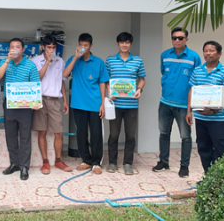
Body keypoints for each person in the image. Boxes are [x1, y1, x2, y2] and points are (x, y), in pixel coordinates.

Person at [152, 27, 201, 178]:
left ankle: (184, 166)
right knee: (164, 133)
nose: (177, 41)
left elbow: (197, 81)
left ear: (186, 39)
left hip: (183, 105)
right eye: (174, 38)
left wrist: (190, 108)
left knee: (185, 137)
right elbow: (163, 73)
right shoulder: (165, 55)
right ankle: (163, 161)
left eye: (180, 38)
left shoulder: (194, 57)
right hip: (165, 102)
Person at [62, 33, 109, 175]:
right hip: (78, 104)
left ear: (91, 46)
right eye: (81, 45)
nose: (83, 48)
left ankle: (96, 162)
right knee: (81, 134)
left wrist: (102, 103)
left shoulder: (99, 62)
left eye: (86, 45)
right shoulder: (73, 59)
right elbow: (64, 75)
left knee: (96, 134)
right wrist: (76, 57)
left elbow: (102, 82)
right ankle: (86, 160)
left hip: (95, 104)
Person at [186, 41, 224, 173]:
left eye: (212, 50)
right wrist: (189, 111)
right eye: (205, 50)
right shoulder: (197, 71)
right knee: (204, 148)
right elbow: (192, 91)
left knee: (221, 148)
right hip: (200, 118)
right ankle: (209, 177)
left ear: (219, 54)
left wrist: (213, 110)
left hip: (218, 119)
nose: (208, 53)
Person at [0, 38, 40, 181]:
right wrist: (7, 60)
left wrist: (36, 101)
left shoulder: (30, 65)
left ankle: (24, 166)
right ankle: (14, 163)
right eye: (12, 47)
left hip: (26, 106)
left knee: (25, 136)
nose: (15, 49)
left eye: (17, 47)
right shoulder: (4, 62)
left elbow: (36, 84)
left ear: (23, 49)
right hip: (9, 104)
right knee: (11, 136)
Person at [105, 32, 146, 176]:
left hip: (131, 105)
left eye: (127, 42)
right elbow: (105, 79)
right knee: (114, 135)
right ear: (117, 44)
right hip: (115, 104)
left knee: (130, 136)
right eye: (121, 42)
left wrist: (139, 89)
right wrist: (110, 91)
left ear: (131, 44)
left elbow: (142, 79)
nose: (124, 45)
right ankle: (112, 162)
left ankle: (128, 163)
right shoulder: (110, 60)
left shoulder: (137, 61)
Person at [31, 35, 71, 174]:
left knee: (58, 132)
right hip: (40, 99)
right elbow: (37, 78)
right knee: (42, 132)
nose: (51, 50)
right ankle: (45, 162)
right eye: (49, 47)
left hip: (55, 100)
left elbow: (61, 81)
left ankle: (58, 160)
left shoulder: (60, 61)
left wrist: (65, 100)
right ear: (43, 47)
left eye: (53, 47)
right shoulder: (36, 61)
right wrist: (47, 62)